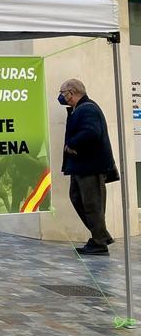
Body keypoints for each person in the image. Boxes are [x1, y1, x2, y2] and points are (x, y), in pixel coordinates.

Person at [60, 79, 119, 256]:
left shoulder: (87, 109)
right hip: (82, 167)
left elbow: (92, 132)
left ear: (71, 92)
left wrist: (72, 144)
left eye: (63, 93)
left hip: (90, 167)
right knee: (77, 198)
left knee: (92, 205)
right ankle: (100, 236)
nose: (61, 97)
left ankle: (99, 243)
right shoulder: (80, 109)